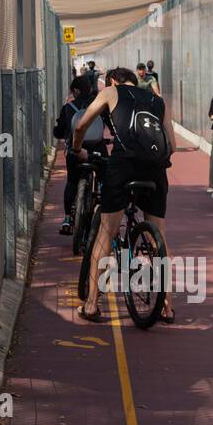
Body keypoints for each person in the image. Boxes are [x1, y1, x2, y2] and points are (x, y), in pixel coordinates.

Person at [71, 67, 178, 324]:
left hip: (123, 164)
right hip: (155, 168)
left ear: (111, 81)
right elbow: (171, 145)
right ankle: (167, 307)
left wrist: (77, 148)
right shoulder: (157, 100)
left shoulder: (110, 92)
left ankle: (91, 305)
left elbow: (83, 123)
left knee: (106, 232)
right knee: (159, 234)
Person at [53, 72, 104, 234]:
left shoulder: (68, 108)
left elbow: (59, 132)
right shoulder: (100, 105)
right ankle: (105, 209)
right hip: (97, 149)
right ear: (89, 90)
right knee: (105, 175)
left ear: (75, 91)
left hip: (75, 150)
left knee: (72, 181)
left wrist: (61, 132)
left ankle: (68, 217)